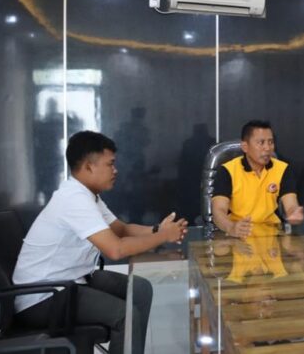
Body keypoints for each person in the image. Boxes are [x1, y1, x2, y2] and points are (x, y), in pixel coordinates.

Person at [13, 131, 188, 354]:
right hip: (44, 297)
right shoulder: (74, 199)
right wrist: (163, 237)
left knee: (140, 289)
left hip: (72, 280)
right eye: (110, 164)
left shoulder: (88, 196)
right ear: (89, 166)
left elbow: (122, 229)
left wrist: (158, 230)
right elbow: (116, 249)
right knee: (125, 316)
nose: (115, 170)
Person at [211, 120, 304, 238]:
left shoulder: (282, 169)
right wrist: (231, 227)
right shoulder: (227, 171)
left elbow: (290, 205)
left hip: (271, 234)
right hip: (238, 235)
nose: (267, 148)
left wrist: (294, 213)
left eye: (270, 142)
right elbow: (218, 211)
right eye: (261, 143)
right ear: (245, 147)